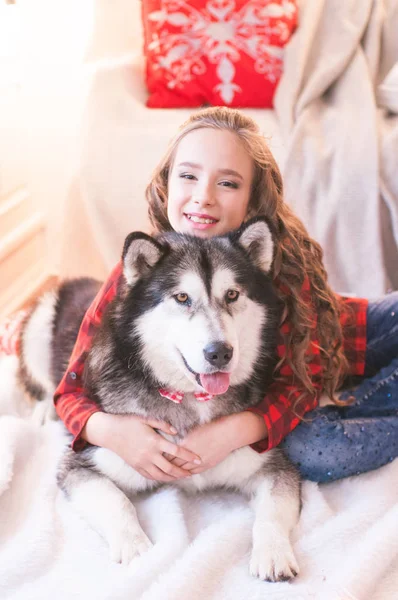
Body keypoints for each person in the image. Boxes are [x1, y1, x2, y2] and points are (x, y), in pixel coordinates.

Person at [53, 106, 398, 484]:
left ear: (252, 200)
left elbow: (304, 383)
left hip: (357, 333)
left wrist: (234, 431)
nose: (203, 197)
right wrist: (112, 432)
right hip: (336, 382)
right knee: (316, 450)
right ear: (167, 184)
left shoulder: (267, 260)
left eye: (228, 183)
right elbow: (69, 389)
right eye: (188, 176)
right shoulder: (145, 271)